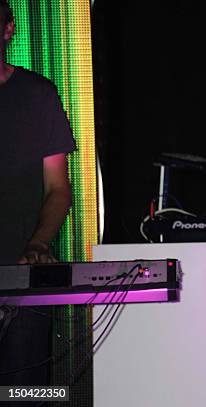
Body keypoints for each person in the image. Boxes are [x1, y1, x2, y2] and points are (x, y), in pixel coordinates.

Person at [0, 0, 76, 389]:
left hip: (22, 275)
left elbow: (58, 188)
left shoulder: (37, 95)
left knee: (24, 393)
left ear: (8, 29)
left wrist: (38, 243)